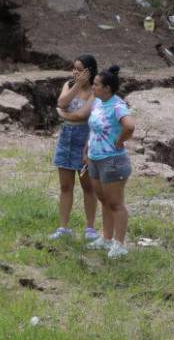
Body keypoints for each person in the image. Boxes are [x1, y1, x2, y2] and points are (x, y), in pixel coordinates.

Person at [84, 65, 135, 259]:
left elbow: (129, 126)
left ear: (107, 88)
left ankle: (119, 244)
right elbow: (94, 129)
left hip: (112, 161)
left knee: (116, 204)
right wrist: (87, 150)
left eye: (96, 84)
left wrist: (120, 141)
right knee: (104, 200)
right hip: (95, 159)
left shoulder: (117, 105)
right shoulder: (97, 102)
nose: (93, 87)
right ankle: (106, 238)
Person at [49, 54, 99, 242]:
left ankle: (90, 228)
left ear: (89, 71)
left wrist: (63, 115)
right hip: (66, 139)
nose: (75, 72)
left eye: (79, 69)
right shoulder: (69, 85)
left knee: (88, 186)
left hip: (85, 139)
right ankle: (63, 227)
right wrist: (77, 84)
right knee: (65, 185)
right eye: (74, 68)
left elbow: (81, 115)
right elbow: (61, 103)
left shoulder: (96, 90)